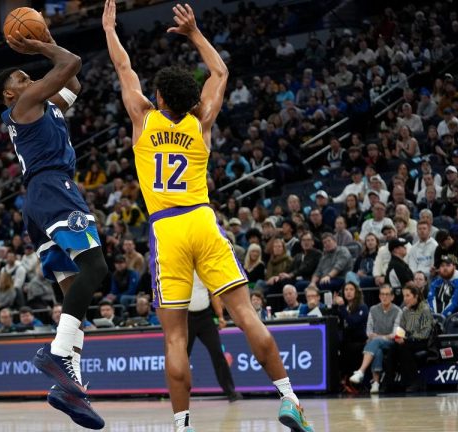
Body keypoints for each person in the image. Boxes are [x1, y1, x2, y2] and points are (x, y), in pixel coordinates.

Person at [104, 3, 312, 431]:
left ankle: (182, 425)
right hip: (201, 218)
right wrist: (195, 33)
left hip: (166, 229)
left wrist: (109, 27)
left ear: (159, 98)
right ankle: (289, 397)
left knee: (176, 338)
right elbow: (220, 74)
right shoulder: (202, 120)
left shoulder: (142, 119)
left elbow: (124, 67)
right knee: (246, 314)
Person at [0, 20, 108, 430]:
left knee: (73, 292)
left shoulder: (45, 105)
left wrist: (48, 48)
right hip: (54, 188)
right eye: (22, 77)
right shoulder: (22, 106)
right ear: (11, 93)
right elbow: (71, 61)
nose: (30, 77)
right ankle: (59, 355)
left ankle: (69, 387)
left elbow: (73, 81)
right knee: (96, 268)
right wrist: (43, 46)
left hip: (38, 203)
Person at [187, 274, 241, 402]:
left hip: (205, 317)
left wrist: (220, 316)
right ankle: (181, 392)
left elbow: (213, 293)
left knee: (217, 353)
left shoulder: (202, 268)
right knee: (183, 356)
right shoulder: (182, 267)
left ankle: (231, 391)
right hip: (186, 318)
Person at [349, 284, 402, 393]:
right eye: (382, 294)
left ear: (392, 297)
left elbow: (395, 334)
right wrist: (375, 337)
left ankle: (361, 371)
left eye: (387, 294)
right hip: (376, 343)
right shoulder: (373, 309)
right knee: (377, 350)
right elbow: (369, 331)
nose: (384, 297)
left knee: (375, 341)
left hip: (391, 343)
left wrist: (378, 337)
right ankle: (376, 383)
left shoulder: (398, 311)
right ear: (379, 296)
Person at [386, 283, 434, 392]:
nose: (405, 298)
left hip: (423, 341)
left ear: (416, 296)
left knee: (404, 347)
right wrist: (398, 337)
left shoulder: (425, 309)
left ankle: (414, 381)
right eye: (404, 296)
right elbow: (401, 329)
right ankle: (389, 382)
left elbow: (425, 332)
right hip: (409, 340)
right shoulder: (405, 310)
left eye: (408, 295)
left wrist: (407, 339)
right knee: (393, 347)